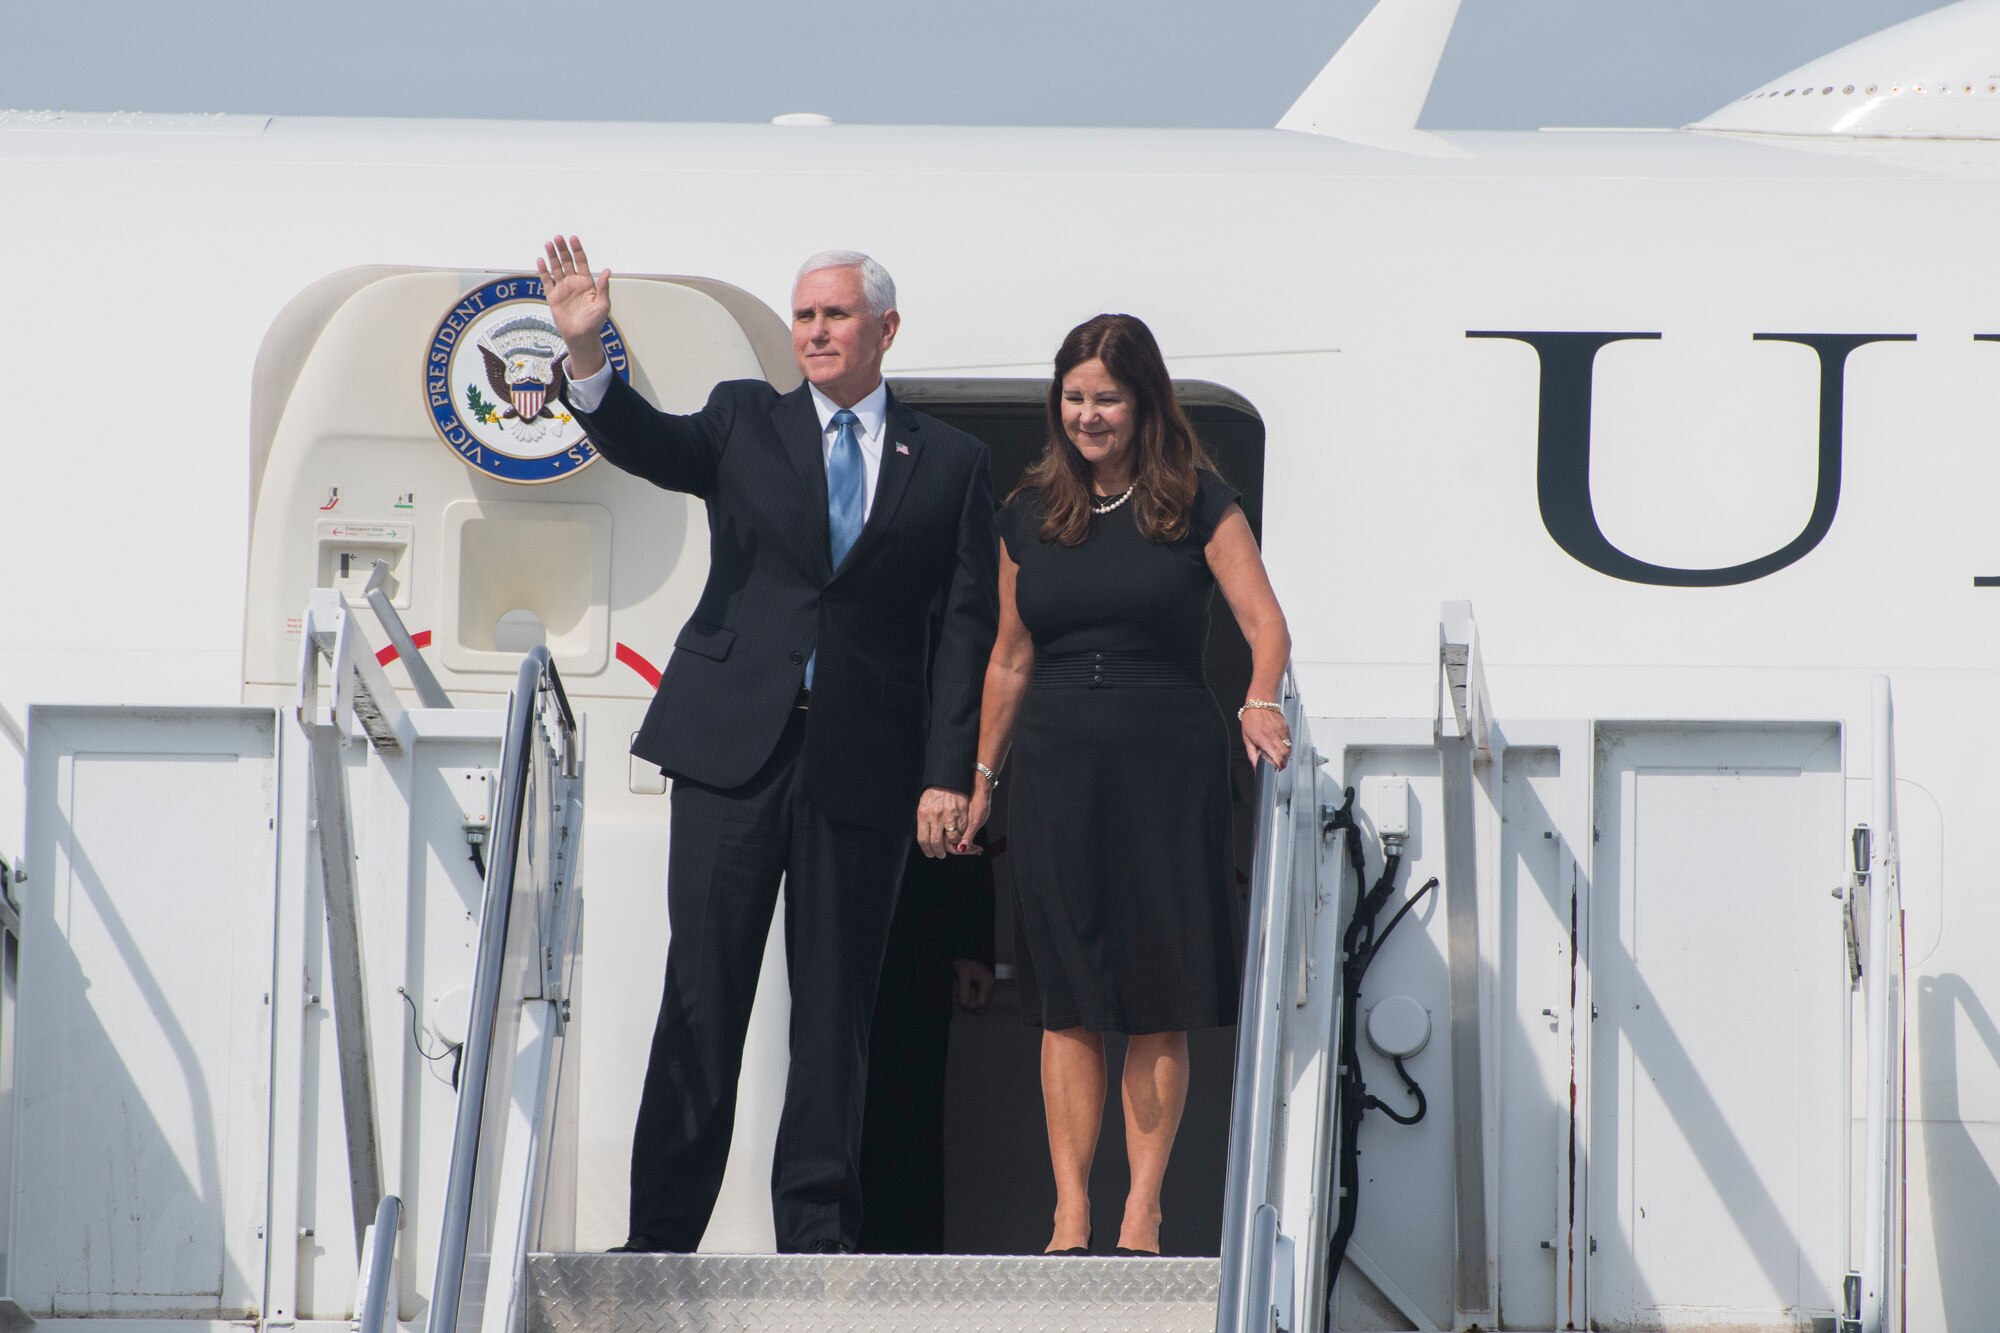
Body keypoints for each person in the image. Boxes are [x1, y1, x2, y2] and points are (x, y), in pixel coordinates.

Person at [537, 236, 1000, 1254]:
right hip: (731, 753)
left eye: (834, 316)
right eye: (803, 316)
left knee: (836, 1010)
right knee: (701, 992)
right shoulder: (744, 419)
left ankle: (819, 1236)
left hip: (864, 766)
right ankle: (659, 1233)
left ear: (884, 328)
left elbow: (967, 629)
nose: (815, 332)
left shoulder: (953, 461)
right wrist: (584, 354)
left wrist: (946, 772)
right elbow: (647, 443)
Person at [957, 313, 1292, 1257]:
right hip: (1058, 765)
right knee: (1066, 995)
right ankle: (1070, 1212)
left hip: (1165, 764)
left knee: (1154, 990)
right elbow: (1010, 658)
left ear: (1145, 402)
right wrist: (983, 775)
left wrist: (1259, 698)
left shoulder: (1200, 502)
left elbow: (1264, 623)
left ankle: (1142, 1208)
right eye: (1074, 397)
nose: (1088, 414)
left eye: (1107, 397)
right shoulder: (1029, 511)